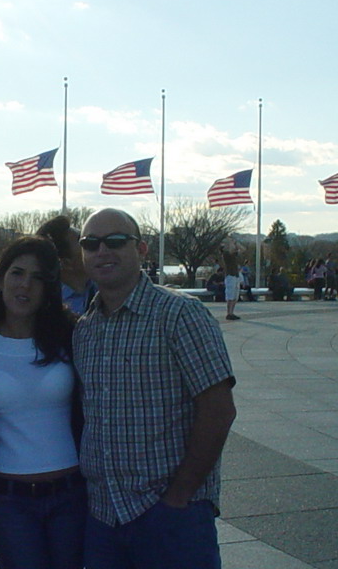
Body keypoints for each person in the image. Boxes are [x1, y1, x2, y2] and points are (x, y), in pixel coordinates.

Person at [73, 208, 236, 569]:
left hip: (170, 515)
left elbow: (219, 409)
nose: (103, 251)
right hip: (103, 516)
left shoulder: (180, 315)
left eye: (116, 241)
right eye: (91, 243)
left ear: (142, 249)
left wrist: (178, 497)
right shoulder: (85, 330)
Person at [0, 236, 86, 569]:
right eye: (17, 273)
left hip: (73, 495)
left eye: (38, 277)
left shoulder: (71, 334)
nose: (26, 285)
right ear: (2, 277)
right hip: (10, 499)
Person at [36, 214, 96, 315]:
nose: (95, 247)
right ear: (65, 263)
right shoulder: (46, 305)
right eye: (83, 243)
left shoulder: (108, 289)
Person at [220, 238, 241, 320]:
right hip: (230, 276)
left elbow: (243, 249)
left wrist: (236, 243)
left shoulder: (232, 254)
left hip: (235, 275)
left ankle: (232, 312)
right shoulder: (226, 254)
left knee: (235, 296)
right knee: (230, 295)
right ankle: (229, 313)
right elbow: (231, 250)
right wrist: (232, 243)